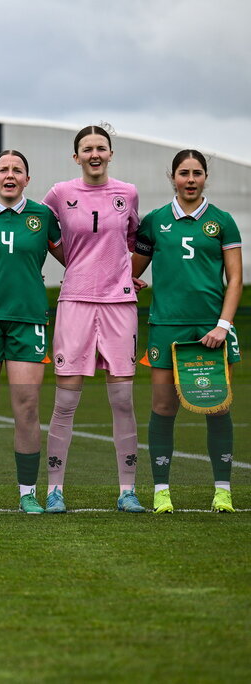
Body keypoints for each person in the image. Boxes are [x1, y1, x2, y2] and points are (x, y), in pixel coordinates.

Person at [41, 126, 146, 513]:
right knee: (66, 400)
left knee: (122, 399)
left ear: (110, 153)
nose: (95, 154)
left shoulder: (128, 193)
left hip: (119, 305)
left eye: (101, 148)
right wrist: (74, 265)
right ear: (77, 157)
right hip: (75, 302)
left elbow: (133, 241)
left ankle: (127, 491)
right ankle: (54, 491)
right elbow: (42, 234)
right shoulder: (59, 194)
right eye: (87, 149)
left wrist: (125, 272)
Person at [132, 149, 242, 514]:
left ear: (205, 177)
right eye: (184, 173)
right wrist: (128, 281)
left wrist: (222, 326)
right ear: (173, 177)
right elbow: (133, 269)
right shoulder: (155, 221)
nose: (190, 179)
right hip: (166, 327)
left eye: (197, 173)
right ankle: (161, 491)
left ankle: (222, 491)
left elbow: (236, 279)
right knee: (163, 408)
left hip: (212, 329)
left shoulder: (223, 221)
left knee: (217, 408)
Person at [0, 150, 62, 514]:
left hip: (28, 319)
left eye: (17, 170)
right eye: (3, 169)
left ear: (27, 179)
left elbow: (75, 256)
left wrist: (117, 275)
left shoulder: (42, 215)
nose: (10, 175)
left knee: (28, 407)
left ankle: (27, 494)